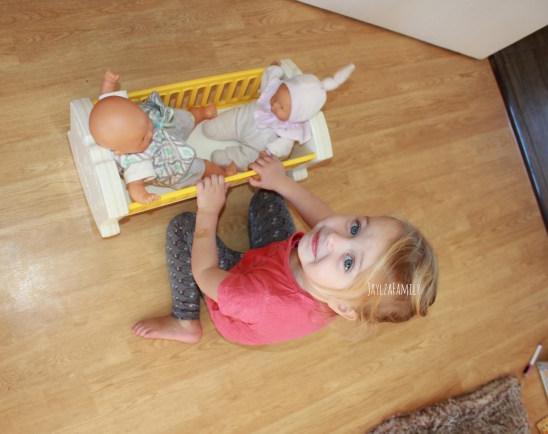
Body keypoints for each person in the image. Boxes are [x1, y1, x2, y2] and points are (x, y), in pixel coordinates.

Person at [132, 155, 438, 345]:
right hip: (275, 260)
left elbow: (204, 272)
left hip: (236, 286)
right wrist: (282, 182)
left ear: (343, 307)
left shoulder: (257, 299)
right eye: (356, 228)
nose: (335, 238)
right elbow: (325, 219)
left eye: (348, 262)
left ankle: (185, 322)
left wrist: (209, 212)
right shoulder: (337, 284)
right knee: (270, 195)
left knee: (185, 226)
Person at [89, 71, 235, 204]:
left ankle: (199, 114)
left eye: (146, 122)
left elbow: (108, 98)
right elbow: (134, 186)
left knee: (181, 120)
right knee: (202, 167)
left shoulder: (123, 115)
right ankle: (223, 175)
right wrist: (144, 196)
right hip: (172, 163)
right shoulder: (135, 162)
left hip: (164, 130)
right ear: (120, 151)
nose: (149, 133)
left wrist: (109, 83)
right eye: (142, 139)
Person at [201, 61, 355, 173]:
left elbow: (282, 149)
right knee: (223, 123)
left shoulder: (289, 133)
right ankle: (218, 128)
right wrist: (274, 69)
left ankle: (229, 158)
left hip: (254, 148)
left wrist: (268, 153)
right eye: (276, 97)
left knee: (249, 158)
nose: (274, 104)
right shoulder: (274, 93)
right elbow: (269, 80)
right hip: (242, 121)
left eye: (282, 107)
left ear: (296, 116)